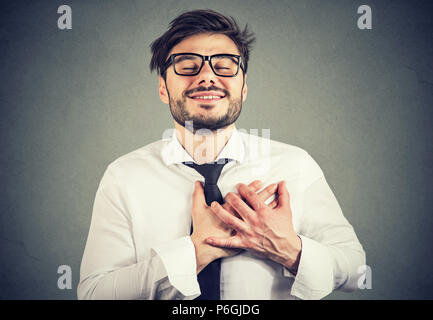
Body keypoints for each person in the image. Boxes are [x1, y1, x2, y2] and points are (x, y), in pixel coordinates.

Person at [77, 9, 366, 300]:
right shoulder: (124, 177)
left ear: (243, 88)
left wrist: (290, 249)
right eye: (187, 66)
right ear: (163, 88)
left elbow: (356, 271)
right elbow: (94, 293)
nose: (206, 77)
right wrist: (195, 251)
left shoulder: (296, 166)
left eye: (225, 66)